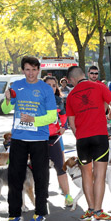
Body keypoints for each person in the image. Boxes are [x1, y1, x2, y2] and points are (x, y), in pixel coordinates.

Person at [1, 56, 57, 221]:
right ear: (23, 70)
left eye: (34, 69)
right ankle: (14, 214)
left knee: (41, 177)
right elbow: (5, 109)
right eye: (27, 69)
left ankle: (40, 212)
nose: (31, 73)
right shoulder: (16, 85)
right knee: (14, 177)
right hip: (18, 138)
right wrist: (8, 99)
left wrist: (33, 119)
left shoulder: (46, 89)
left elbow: (52, 116)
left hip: (39, 139)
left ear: (38, 70)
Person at [66, 66, 111, 221]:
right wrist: (108, 116)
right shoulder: (99, 86)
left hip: (82, 139)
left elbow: (71, 122)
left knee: (86, 175)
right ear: (84, 74)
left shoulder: (70, 96)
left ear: (72, 80)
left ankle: (89, 211)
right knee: (100, 175)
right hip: (99, 136)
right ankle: (98, 212)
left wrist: (79, 136)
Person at [43, 76, 73, 207]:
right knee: (41, 170)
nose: (51, 87)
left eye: (53, 85)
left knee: (60, 167)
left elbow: (64, 117)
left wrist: (63, 127)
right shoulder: (37, 100)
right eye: (48, 85)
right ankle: (42, 195)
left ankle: (67, 195)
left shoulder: (58, 100)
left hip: (54, 139)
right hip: (39, 140)